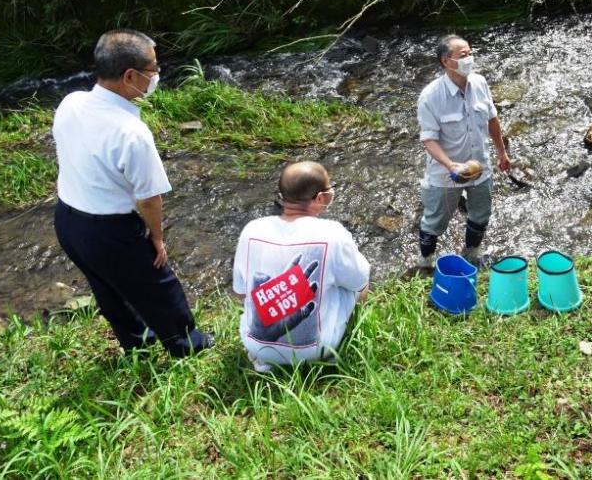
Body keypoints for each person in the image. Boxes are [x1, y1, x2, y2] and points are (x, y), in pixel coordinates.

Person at [52, 29, 213, 357]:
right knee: (158, 285)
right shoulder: (131, 132)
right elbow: (149, 198)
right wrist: (156, 238)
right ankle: (188, 344)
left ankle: (137, 344)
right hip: (108, 230)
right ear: (129, 76)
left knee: (107, 288)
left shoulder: (71, 102)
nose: (156, 75)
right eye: (152, 69)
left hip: (67, 221)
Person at [232, 162, 370, 372]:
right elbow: (359, 280)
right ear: (320, 198)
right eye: (330, 189)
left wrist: (279, 300)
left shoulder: (252, 229)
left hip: (257, 345)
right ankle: (328, 344)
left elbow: (242, 293)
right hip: (318, 350)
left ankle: (269, 356)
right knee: (359, 284)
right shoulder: (333, 233)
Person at [417, 36, 511, 264]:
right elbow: (429, 140)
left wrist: (501, 153)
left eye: (470, 53)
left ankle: (471, 254)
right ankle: (426, 261)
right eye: (463, 55)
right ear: (446, 61)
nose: (469, 58)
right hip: (445, 174)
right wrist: (451, 166)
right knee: (434, 221)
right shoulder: (430, 96)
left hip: (480, 166)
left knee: (480, 215)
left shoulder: (480, 83)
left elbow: (492, 120)